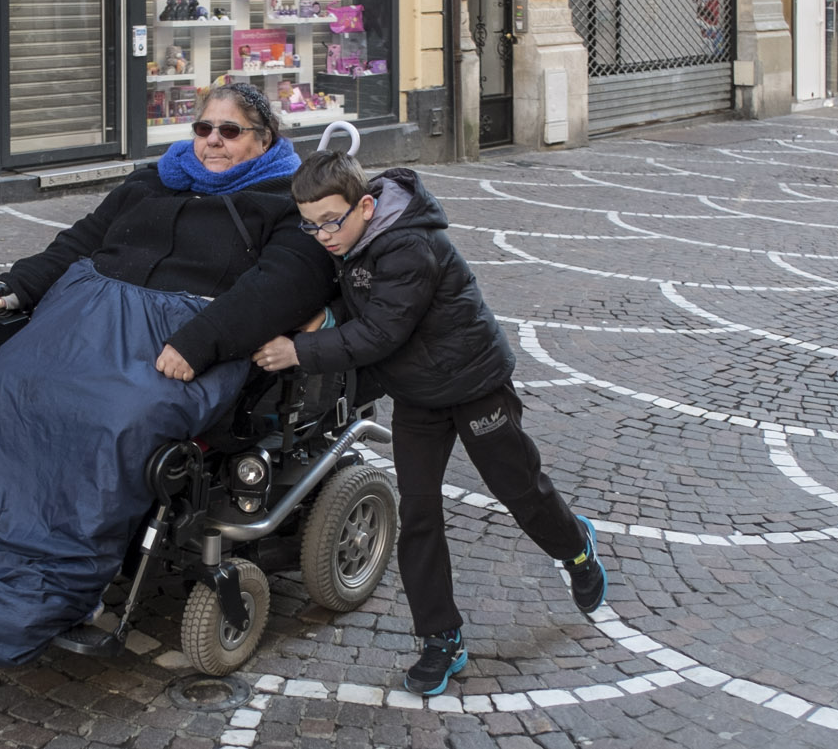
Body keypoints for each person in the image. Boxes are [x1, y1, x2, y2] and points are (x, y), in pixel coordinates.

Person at [0, 83, 335, 667]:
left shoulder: (286, 197)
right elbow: (85, 238)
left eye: (230, 132)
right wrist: (22, 282)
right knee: (10, 386)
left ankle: (61, 582)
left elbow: (282, 285)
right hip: (90, 320)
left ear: (265, 138)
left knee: (115, 420)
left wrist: (201, 341)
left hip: (190, 338)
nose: (212, 143)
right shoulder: (158, 177)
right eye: (203, 129)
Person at [252, 152, 609, 696]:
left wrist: (299, 349)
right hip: (418, 395)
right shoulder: (352, 241)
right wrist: (327, 318)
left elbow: (380, 333)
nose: (322, 234)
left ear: (365, 206)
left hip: (474, 384)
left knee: (519, 489)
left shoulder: (411, 245)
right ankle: (441, 638)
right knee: (419, 515)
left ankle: (576, 547)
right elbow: (363, 312)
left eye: (331, 220)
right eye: (310, 223)